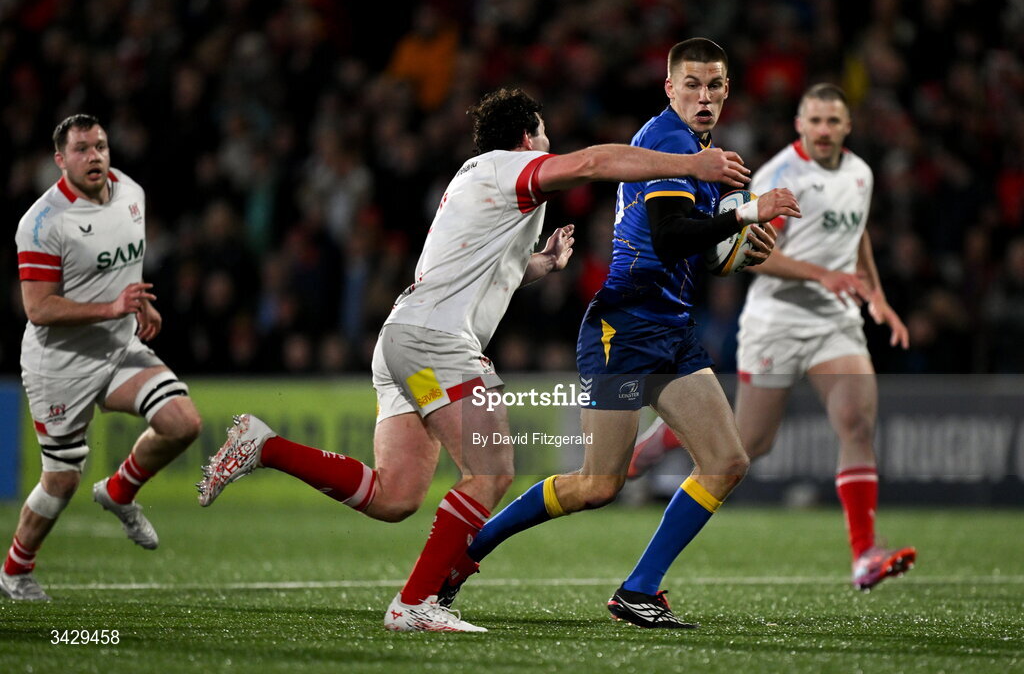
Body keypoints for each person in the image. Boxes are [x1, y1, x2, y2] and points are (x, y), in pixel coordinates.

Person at [196, 86, 755, 633]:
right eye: (544, 134)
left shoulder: (486, 188)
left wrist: (540, 265)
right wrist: (693, 164)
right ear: (524, 138)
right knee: (490, 471)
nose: (550, 142)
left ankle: (263, 445)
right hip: (436, 341)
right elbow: (593, 162)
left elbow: (489, 272)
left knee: (395, 496)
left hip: (404, 340)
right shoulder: (504, 169)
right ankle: (414, 603)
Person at [437, 38, 802, 628]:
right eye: (691, 84)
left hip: (671, 329)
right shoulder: (667, 140)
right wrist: (741, 218)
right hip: (625, 328)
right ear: (670, 88)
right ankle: (465, 553)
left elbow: (691, 240)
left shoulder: (699, 149)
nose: (703, 96)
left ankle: (640, 589)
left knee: (726, 461)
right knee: (597, 484)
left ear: (727, 90)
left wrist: (731, 244)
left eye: (714, 86)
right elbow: (668, 236)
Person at [628, 83, 915, 591]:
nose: (824, 130)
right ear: (800, 125)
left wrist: (877, 295)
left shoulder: (860, 173)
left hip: (835, 320)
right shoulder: (781, 175)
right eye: (815, 121)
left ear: (847, 127)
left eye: (834, 121)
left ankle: (864, 554)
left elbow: (857, 233)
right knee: (748, 444)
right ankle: (666, 438)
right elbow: (757, 255)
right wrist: (820, 274)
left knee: (856, 422)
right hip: (777, 320)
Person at [1, 115, 203, 602]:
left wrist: (138, 304)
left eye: (100, 146)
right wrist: (110, 308)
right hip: (61, 365)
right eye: (81, 149)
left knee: (183, 422)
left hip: (116, 347)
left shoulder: (131, 193)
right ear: (60, 159)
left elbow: (123, 264)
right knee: (61, 480)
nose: (94, 156)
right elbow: (38, 307)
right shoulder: (42, 222)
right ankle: (14, 571)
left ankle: (118, 490)